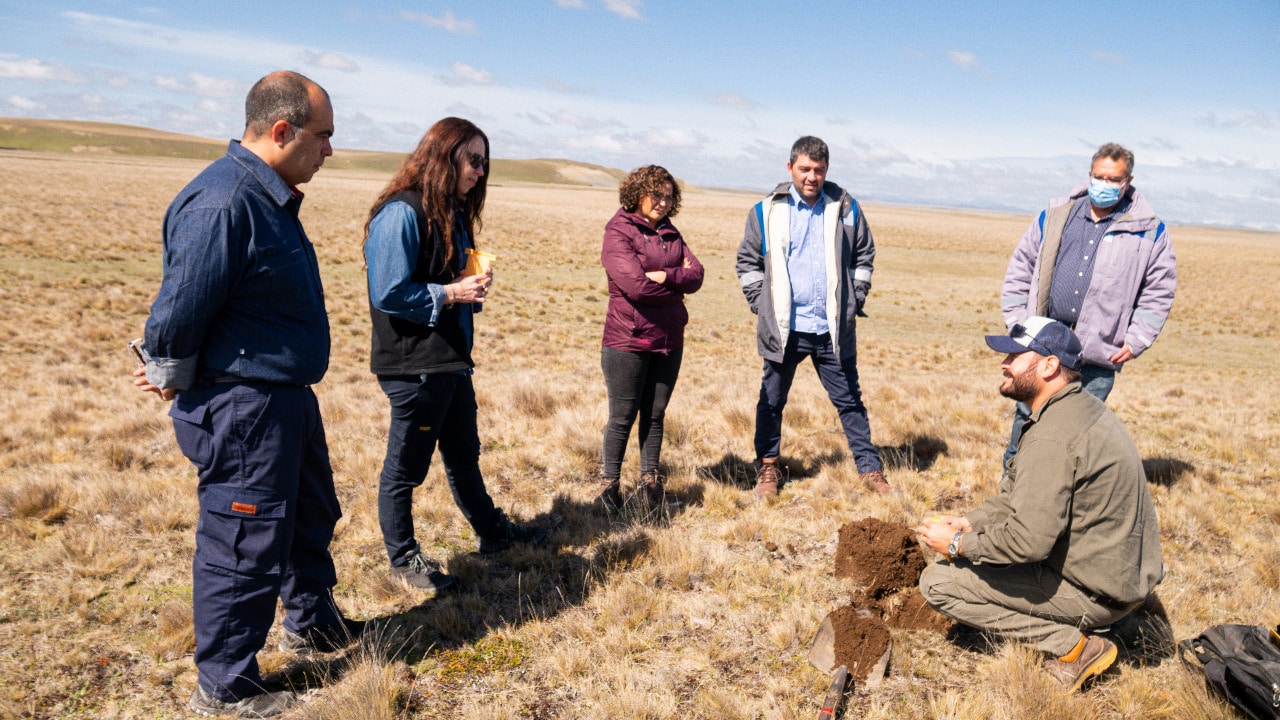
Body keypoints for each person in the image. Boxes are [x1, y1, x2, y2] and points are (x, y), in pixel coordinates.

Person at [133, 71, 361, 718]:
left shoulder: (267, 197)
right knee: (243, 543)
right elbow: (179, 309)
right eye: (323, 137)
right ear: (282, 131)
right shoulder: (225, 203)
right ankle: (225, 684)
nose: (330, 151)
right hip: (243, 407)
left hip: (282, 399)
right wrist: (167, 369)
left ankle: (312, 622)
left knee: (309, 516)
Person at [917, 317, 1164, 693]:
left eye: (1015, 355)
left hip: (1095, 592)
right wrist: (968, 522)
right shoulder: (1075, 411)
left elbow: (1028, 542)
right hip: (1116, 580)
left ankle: (1076, 648)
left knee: (938, 583)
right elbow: (1016, 496)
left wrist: (956, 546)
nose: (1004, 363)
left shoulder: (1053, 436)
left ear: (1049, 366)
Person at [363, 117, 547, 592]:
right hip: (415, 363)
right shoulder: (401, 213)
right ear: (444, 157)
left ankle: (492, 533)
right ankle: (403, 559)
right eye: (474, 160)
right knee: (405, 467)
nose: (481, 171)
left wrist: (471, 288)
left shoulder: (453, 213)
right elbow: (388, 291)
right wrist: (449, 294)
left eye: (485, 162)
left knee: (465, 455)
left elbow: (450, 283)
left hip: (450, 360)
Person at [999, 143, 1177, 467]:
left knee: (1073, 437)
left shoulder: (1150, 229)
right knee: (1024, 426)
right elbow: (1020, 267)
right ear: (1089, 174)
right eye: (1099, 177)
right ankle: (1010, 500)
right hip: (1042, 344)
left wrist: (1137, 339)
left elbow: (1159, 289)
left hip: (1096, 352)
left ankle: (1059, 506)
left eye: (1113, 179)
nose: (1104, 184)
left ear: (1128, 180)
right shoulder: (1056, 214)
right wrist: (1016, 320)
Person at [734, 135, 890, 497]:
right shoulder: (766, 210)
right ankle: (768, 470)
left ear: (826, 171)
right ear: (790, 168)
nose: (811, 177)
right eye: (804, 169)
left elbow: (864, 256)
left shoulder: (846, 208)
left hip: (831, 329)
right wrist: (762, 304)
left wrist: (855, 298)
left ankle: (869, 470)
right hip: (785, 330)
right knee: (771, 401)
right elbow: (747, 262)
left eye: (818, 170)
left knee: (850, 401)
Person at [596, 165, 704, 509]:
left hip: (669, 338)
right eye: (656, 194)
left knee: (655, 414)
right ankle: (608, 489)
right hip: (628, 339)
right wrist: (676, 287)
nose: (663, 202)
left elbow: (697, 274)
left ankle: (649, 486)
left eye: (669, 196)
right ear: (637, 193)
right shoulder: (618, 232)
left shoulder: (670, 232)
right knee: (622, 416)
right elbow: (636, 287)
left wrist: (666, 275)